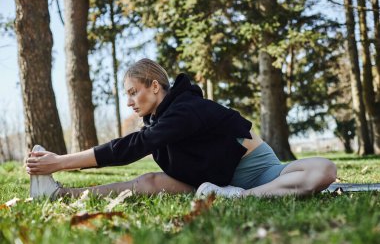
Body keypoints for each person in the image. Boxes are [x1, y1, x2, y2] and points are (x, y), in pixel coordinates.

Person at [26, 58, 337, 199]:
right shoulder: (161, 122)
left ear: (156, 86)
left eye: (134, 92)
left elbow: (131, 147)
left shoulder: (186, 109)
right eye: (127, 95)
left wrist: (61, 161)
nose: (131, 102)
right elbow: (140, 143)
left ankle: (241, 197)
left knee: (323, 169)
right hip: (211, 182)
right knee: (149, 181)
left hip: (261, 174)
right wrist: (56, 168)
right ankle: (60, 195)